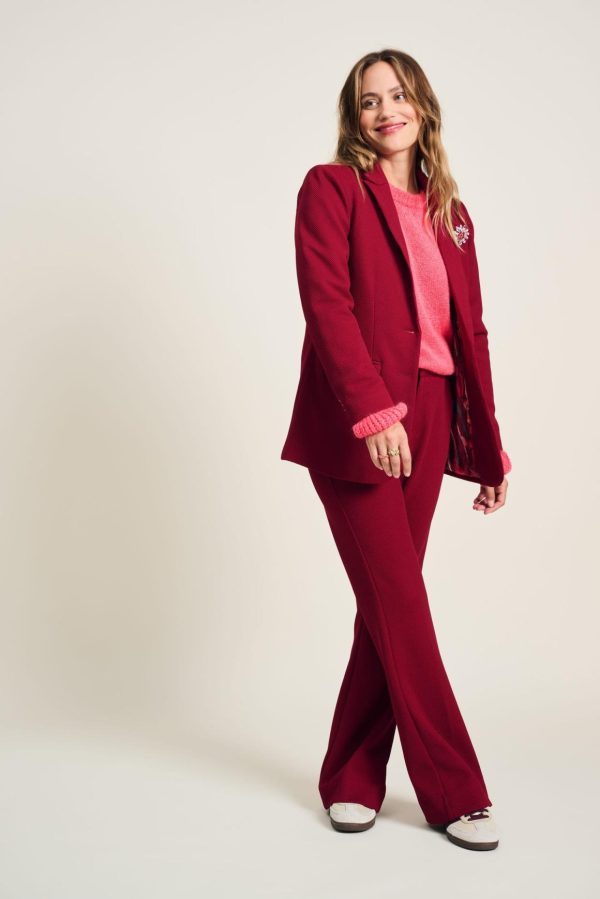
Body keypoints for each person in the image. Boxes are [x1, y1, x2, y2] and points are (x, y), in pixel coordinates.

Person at [280, 49, 511, 852]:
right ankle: (455, 789)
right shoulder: (332, 188)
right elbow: (327, 304)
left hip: (435, 410)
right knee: (402, 605)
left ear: (423, 105)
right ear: (356, 116)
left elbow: (470, 331)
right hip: (362, 416)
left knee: (389, 603)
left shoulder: (452, 213)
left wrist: (489, 449)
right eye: (370, 100)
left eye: (399, 94)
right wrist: (372, 411)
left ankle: (351, 775)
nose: (387, 111)